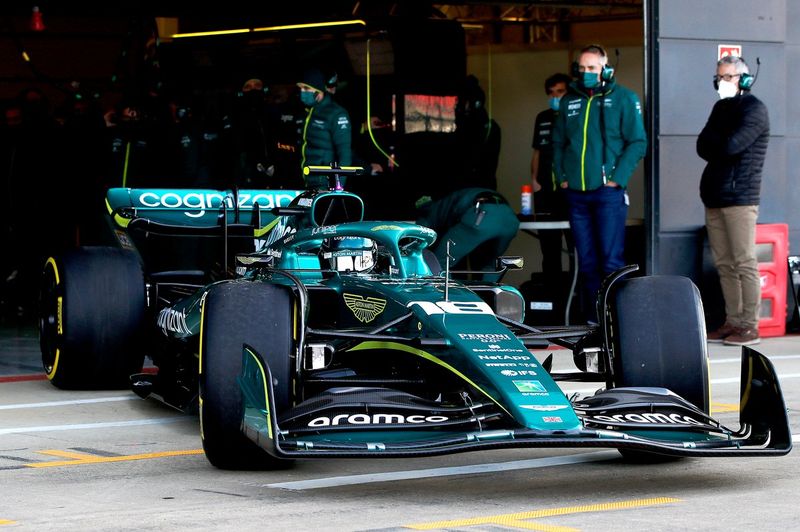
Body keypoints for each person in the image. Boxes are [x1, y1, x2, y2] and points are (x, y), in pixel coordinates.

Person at [552, 44, 647, 323]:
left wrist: (617, 179)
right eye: (581, 68)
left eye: (592, 68)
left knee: (611, 260)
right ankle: (594, 320)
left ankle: (617, 319)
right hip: (576, 195)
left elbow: (638, 142)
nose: (586, 73)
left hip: (608, 194)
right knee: (587, 262)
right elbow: (557, 144)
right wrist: (563, 178)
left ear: (605, 69)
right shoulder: (569, 101)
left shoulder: (624, 99)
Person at [697, 55, 769, 346]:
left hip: (740, 197)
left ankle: (750, 326)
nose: (722, 82)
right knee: (724, 264)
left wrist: (719, 140)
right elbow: (703, 145)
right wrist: (719, 141)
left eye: (728, 76)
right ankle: (733, 321)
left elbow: (731, 146)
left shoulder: (755, 109)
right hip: (715, 196)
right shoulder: (720, 107)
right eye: (719, 77)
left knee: (744, 262)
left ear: (745, 79)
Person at [531, 72, 572, 275]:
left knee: (576, 248)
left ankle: (576, 300)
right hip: (545, 192)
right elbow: (537, 151)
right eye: (551, 92)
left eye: (560, 91)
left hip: (570, 191)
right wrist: (534, 181)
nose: (555, 96)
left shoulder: (577, 116)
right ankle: (551, 293)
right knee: (549, 249)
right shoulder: (542, 117)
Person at [297, 68, 352, 189]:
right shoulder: (307, 112)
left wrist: (338, 186)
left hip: (324, 183)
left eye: (306, 88)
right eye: (300, 88)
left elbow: (345, 154)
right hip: (305, 180)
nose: (302, 92)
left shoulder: (337, 113)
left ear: (318, 90)